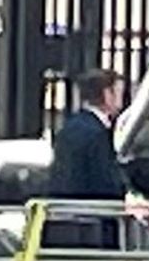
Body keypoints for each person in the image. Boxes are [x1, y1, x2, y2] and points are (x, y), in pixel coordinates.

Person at [49, 68, 127, 201]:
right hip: (91, 207)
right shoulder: (97, 134)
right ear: (107, 94)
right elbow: (104, 180)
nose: (121, 102)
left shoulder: (68, 128)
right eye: (120, 93)